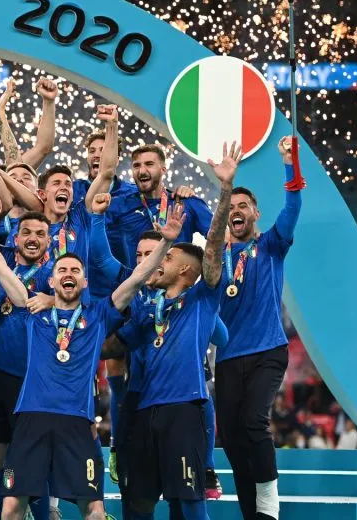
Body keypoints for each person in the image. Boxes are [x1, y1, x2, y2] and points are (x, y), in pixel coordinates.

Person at [0, 189, 183, 520]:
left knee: (95, 509)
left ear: (85, 281)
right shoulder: (33, 310)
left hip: (76, 421)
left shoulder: (100, 314)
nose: (68, 274)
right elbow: (0, 267)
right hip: (31, 418)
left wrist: (166, 243)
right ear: (52, 279)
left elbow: (136, 279)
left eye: (75, 270)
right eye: (62, 271)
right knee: (12, 506)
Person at [102, 141, 243, 520]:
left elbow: (213, 246)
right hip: (142, 410)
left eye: (164, 257)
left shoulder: (202, 298)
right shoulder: (146, 309)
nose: (153, 263)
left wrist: (225, 189)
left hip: (183, 411)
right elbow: (113, 347)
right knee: (138, 504)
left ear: (184, 269)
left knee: (189, 502)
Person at [214, 136, 303, 520]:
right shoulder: (214, 257)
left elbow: (294, 205)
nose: (237, 211)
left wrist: (289, 163)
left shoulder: (271, 246)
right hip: (230, 356)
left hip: (268, 350)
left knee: (253, 421)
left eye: (243, 206)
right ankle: (253, 514)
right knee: (232, 439)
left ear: (256, 214)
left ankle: (269, 504)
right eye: (231, 206)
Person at [0, 208, 54, 520]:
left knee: (29, 458)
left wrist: (53, 300)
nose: (33, 239)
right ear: (16, 238)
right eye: (27, 233)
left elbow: (85, 300)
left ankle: (42, 516)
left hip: (34, 382)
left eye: (40, 234)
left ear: (49, 241)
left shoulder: (54, 275)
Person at [107, 144, 214, 268]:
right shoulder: (119, 205)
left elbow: (221, 238)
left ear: (163, 169)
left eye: (149, 164)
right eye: (137, 165)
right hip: (136, 285)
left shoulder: (187, 203)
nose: (142, 171)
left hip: (176, 285)